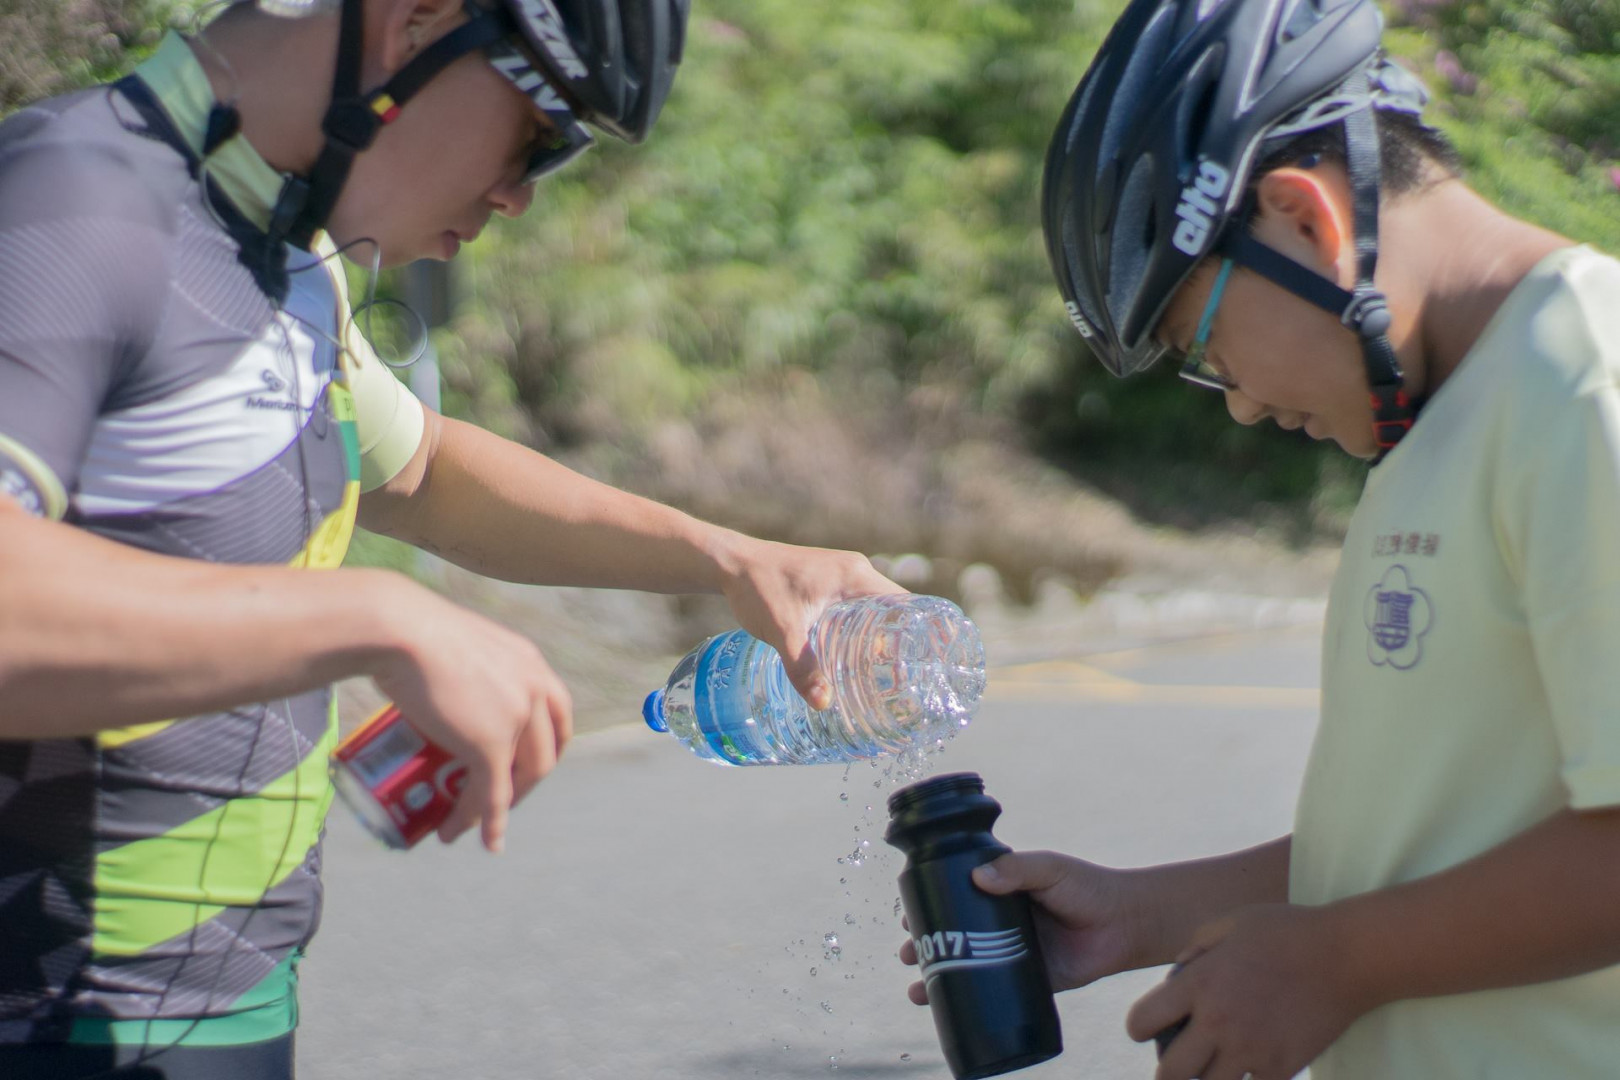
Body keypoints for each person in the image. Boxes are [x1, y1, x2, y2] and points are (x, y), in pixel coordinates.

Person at [0, 0, 899, 1075]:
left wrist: (732, 558)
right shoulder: (73, 201)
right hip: (54, 1017)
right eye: (541, 130)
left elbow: (420, 470)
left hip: (220, 1006)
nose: (520, 193)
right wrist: (374, 615)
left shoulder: (279, 247)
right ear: (414, 23)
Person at [901, 0, 1620, 1077]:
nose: (1235, 404)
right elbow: (1428, 841)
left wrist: (1340, 962)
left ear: (1302, 217)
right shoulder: (1439, 417)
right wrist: (1139, 913)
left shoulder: (1584, 378)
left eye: (1207, 343)